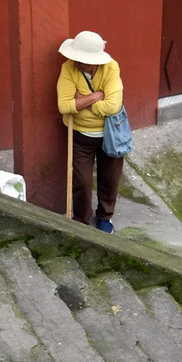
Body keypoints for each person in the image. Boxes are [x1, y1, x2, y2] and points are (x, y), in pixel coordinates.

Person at [56, 30, 124, 233]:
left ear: (95, 61)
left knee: (110, 178)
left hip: (110, 134)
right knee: (82, 182)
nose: (77, 63)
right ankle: (81, 220)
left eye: (83, 61)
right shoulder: (68, 68)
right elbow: (64, 106)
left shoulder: (111, 68)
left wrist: (82, 100)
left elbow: (113, 106)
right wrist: (97, 96)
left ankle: (105, 217)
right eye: (76, 58)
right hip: (79, 134)